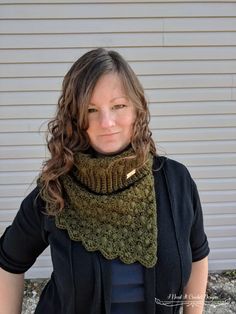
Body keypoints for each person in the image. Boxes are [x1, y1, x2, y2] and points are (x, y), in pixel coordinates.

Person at [0, 48, 209, 314]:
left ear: (137, 109)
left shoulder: (175, 182)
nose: (107, 122)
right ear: (75, 118)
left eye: (118, 105)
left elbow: (198, 253)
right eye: (91, 109)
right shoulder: (56, 190)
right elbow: (9, 262)